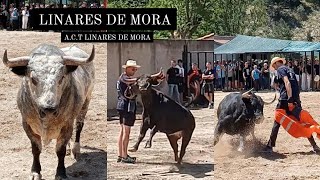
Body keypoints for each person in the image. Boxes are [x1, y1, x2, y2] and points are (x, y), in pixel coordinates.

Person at [264, 57, 320, 153]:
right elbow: (293, 84)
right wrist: (295, 100)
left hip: (286, 99)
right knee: (302, 121)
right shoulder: (290, 69)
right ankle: (314, 146)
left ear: (277, 63)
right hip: (295, 99)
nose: (274, 67)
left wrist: (289, 99)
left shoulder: (281, 69)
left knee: (277, 120)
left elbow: (287, 82)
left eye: (274, 65)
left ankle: (270, 146)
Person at [116, 59, 140, 163]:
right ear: (127, 68)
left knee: (122, 132)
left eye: (135, 69)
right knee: (126, 132)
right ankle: (124, 156)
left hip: (123, 105)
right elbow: (131, 81)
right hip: (126, 106)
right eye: (133, 68)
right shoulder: (124, 78)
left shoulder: (124, 77)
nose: (134, 70)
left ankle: (121, 155)